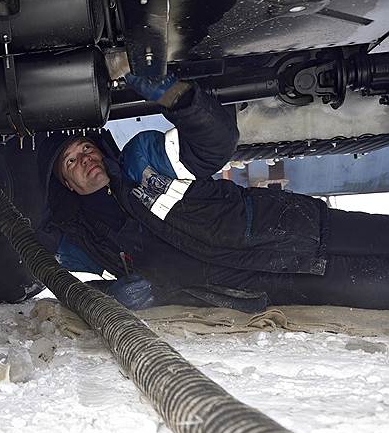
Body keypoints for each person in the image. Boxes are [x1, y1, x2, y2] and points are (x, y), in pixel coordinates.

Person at [36, 74, 389, 312]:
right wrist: (116, 296)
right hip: (270, 287)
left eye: (85, 149)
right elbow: (72, 291)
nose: (84, 160)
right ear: (68, 184)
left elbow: (216, 144)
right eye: (70, 162)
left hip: (294, 230)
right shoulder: (81, 241)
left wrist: (179, 98)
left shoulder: (142, 161)